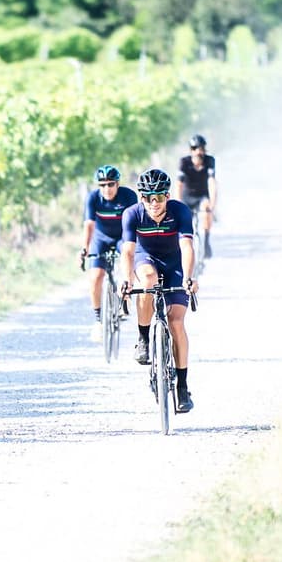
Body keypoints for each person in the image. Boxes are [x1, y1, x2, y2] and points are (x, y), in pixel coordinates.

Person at [120, 168, 198, 413]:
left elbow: (186, 246)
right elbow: (129, 252)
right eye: (148, 198)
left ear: (168, 196)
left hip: (175, 262)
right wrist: (125, 280)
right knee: (148, 280)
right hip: (146, 258)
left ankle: (182, 387)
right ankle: (143, 339)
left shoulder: (180, 211)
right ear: (141, 198)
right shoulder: (132, 214)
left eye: (160, 197)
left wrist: (188, 277)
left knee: (176, 322)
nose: (154, 203)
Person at [79, 164, 138, 324]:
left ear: (117, 184)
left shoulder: (129, 196)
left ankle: (124, 298)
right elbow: (89, 225)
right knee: (96, 276)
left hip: (122, 237)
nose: (107, 189)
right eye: (102, 185)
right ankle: (98, 317)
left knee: (127, 262)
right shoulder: (92, 198)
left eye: (111, 184)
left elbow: (135, 222)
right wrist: (85, 248)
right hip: (101, 239)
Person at [173, 133, 218, 257]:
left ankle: (206, 241)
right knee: (181, 222)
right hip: (187, 197)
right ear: (191, 150)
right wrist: (178, 204)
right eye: (195, 149)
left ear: (204, 149)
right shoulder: (184, 162)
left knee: (206, 208)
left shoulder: (209, 161)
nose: (198, 152)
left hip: (201, 196)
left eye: (201, 148)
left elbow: (212, 183)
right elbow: (178, 185)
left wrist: (213, 206)